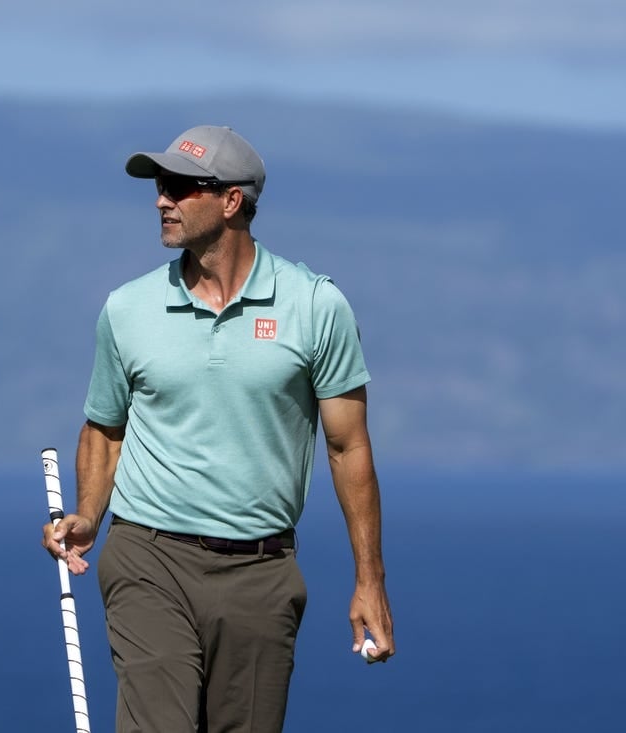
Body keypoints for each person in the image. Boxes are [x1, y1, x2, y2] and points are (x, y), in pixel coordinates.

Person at [42, 124, 394, 732]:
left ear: (232, 200)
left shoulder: (315, 306)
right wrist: (89, 515)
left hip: (262, 570)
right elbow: (104, 430)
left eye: (179, 187)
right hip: (148, 556)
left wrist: (370, 581)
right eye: (159, 186)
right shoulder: (127, 309)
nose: (161, 200)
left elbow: (348, 446)